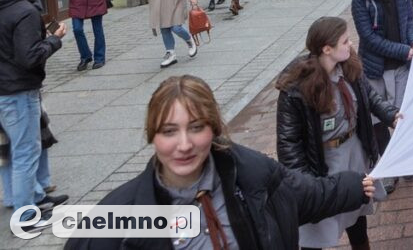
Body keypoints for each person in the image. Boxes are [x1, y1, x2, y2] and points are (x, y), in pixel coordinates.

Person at [66, 75, 374, 250]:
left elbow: (309, 194)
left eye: (196, 127)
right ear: (152, 136)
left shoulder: (254, 176)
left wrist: (357, 185)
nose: (184, 145)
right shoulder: (115, 220)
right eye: (169, 131)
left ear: (213, 129)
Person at [276, 17, 398, 250]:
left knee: (357, 210)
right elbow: (288, 143)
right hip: (322, 163)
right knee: (315, 227)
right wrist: (305, 185)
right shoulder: (296, 88)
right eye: (345, 41)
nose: (350, 44)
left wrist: (392, 115)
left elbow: (369, 97)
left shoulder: (349, 66)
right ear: (327, 49)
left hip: (354, 153)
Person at [0, 0, 67, 231]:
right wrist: (54, 40)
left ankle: (34, 197)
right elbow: (29, 57)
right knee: (25, 152)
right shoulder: (24, 11)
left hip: (5, 87)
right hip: (17, 90)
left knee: (13, 149)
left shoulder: (7, 3)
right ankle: (25, 216)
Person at [350, 0, 413, 194]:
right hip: (375, 67)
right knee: (378, 119)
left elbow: (408, 19)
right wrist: (402, 50)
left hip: (400, 65)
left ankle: (405, 160)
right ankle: (390, 167)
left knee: (402, 116)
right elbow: (368, 38)